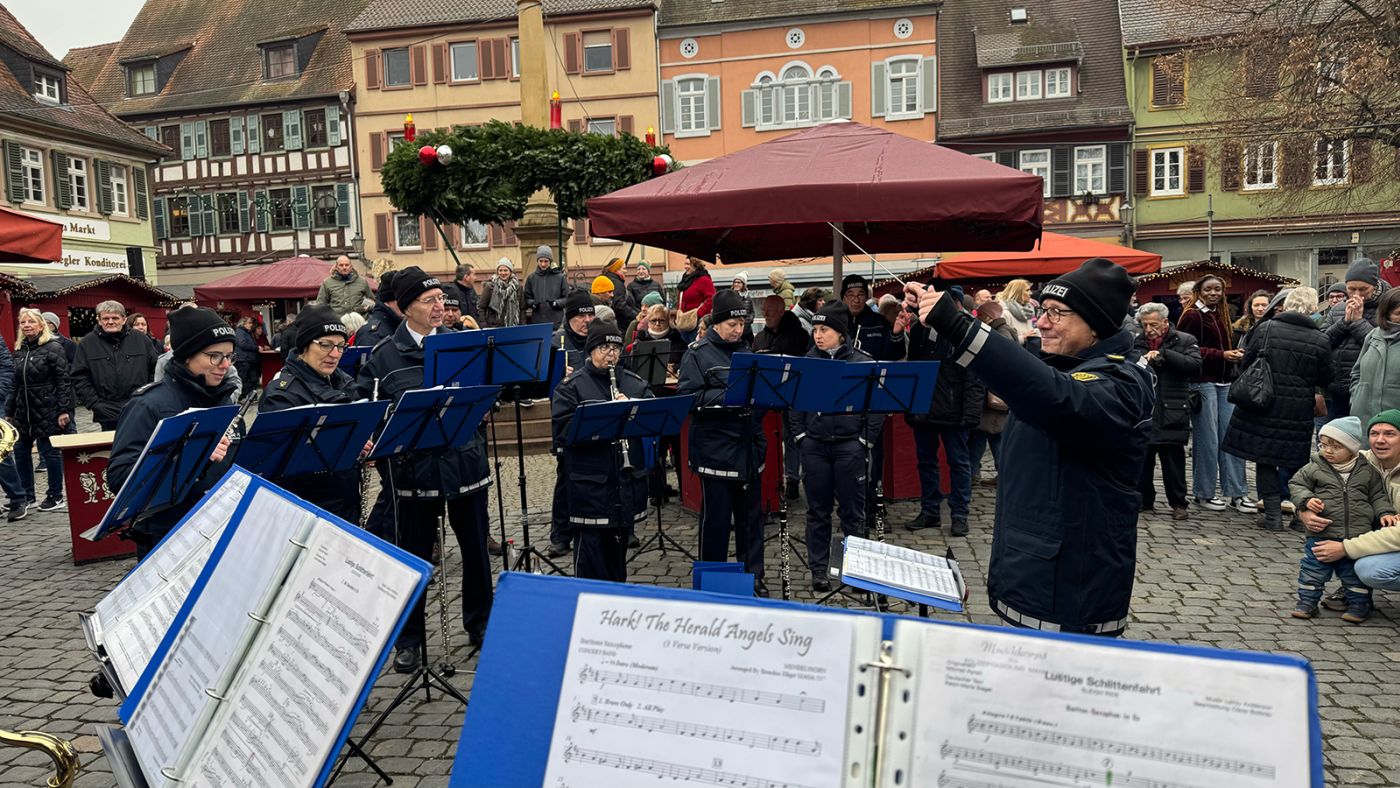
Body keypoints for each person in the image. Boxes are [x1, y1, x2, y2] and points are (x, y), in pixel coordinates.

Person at [905, 257, 1154, 636]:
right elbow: (1028, 377)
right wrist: (937, 319)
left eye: (1057, 313)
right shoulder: (1064, 364)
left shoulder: (1122, 381)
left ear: (1096, 325)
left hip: (1072, 591)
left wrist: (959, 325)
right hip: (1029, 570)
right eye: (1042, 310)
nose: (1041, 322)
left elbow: (1059, 398)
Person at [354, 266, 494, 671]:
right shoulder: (383, 356)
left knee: (475, 550)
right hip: (413, 472)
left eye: (441, 300)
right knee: (411, 557)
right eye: (429, 300)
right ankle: (409, 638)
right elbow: (368, 409)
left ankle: (480, 623)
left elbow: (485, 396)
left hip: (465, 463)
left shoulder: (462, 345)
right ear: (405, 307)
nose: (440, 307)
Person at [108, 307, 239, 559]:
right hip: (169, 536)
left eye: (229, 356)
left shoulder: (223, 398)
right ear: (187, 355)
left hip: (221, 529)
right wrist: (192, 454)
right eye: (214, 356)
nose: (225, 365)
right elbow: (120, 478)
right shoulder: (149, 404)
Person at [678, 289, 768, 596]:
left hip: (748, 449)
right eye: (732, 323)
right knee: (715, 522)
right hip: (714, 452)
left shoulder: (750, 353)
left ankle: (754, 576)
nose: (738, 329)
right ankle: (712, 580)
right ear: (717, 322)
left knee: (751, 521)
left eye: (742, 323)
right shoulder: (697, 354)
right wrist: (729, 397)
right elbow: (688, 398)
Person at [550, 321, 653, 581]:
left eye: (616, 347)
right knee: (590, 559)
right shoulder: (571, 386)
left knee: (617, 559)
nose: (612, 353)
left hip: (623, 482)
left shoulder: (631, 382)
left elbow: (655, 414)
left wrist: (631, 405)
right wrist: (603, 415)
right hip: (590, 485)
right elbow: (562, 432)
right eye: (605, 347)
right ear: (591, 350)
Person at [1223, 288, 1332, 530]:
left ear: (1285, 305)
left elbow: (1247, 361)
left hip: (1264, 403)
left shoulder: (1266, 328)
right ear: (1313, 309)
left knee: (1265, 459)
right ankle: (1298, 517)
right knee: (1296, 462)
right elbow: (1326, 376)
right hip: (1298, 408)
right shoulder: (1321, 338)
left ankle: (1272, 516)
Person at [792, 303, 879, 591]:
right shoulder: (807, 362)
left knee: (853, 513)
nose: (818, 335)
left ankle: (856, 571)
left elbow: (877, 407)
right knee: (817, 511)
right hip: (815, 447)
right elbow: (794, 405)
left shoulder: (862, 363)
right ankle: (819, 569)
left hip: (849, 447)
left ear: (841, 333)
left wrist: (864, 440)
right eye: (815, 330)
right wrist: (801, 438)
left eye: (824, 330)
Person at [259, 307, 362, 523]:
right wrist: (346, 443)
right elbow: (281, 462)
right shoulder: (281, 394)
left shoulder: (343, 382)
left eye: (340, 346)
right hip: (306, 513)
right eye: (325, 345)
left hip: (345, 503)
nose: (334, 354)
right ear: (304, 345)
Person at [1288, 416, 1393, 623]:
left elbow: (1378, 496)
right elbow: (1296, 485)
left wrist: (1385, 513)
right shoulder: (1314, 467)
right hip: (1321, 535)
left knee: (1354, 577)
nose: (1328, 451)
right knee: (1312, 572)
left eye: (1336, 447)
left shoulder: (1367, 471)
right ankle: (1307, 603)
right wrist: (1306, 502)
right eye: (1324, 445)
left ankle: (1359, 606)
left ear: (1352, 448)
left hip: (1357, 536)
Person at [905, 296, 984, 536]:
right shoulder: (919, 329)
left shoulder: (965, 331)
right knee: (926, 463)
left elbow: (974, 377)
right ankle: (930, 511)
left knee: (959, 464)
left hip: (954, 411)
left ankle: (960, 513)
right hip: (924, 411)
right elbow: (913, 368)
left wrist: (970, 414)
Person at [1178, 275, 1253, 512]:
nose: (1213, 293)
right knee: (1207, 441)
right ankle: (1204, 493)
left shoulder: (1218, 314)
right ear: (1199, 291)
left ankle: (1237, 493)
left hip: (1224, 382)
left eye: (1218, 290)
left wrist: (1231, 354)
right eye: (1208, 289)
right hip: (1202, 383)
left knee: (1230, 439)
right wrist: (1221, 355)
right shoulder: (1192, 315)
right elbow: (1186, 348)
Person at [1310, 411, 1400, 608]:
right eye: (1374, 433)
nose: (1380, 440)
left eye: (1390, 434)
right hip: (1386, 529)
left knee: (1370, 570)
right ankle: (1352, 588)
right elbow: (1313, 472)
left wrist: (1345, 548)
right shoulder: (1361, 461)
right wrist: (1305, 510)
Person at [1134, 302, 1201, 521]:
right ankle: (1144, 499)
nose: (1149, 329)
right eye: (1145, 325)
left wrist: (1165, 355)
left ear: (1164, 322)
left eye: (1153, 324)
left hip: (1173, 407)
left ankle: (1178, 503)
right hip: (1146, 409)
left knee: (1173, 461)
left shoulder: (1184, 340)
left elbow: (1194, 366)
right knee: (1143, 460)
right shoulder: (1138, 342)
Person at [7, 308, 74, 512]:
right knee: (20, 452)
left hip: (47, 407)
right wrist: (9, 410)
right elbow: (14, 383)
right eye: (23, 322)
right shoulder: (19, 350)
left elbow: (63, 380)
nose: (27, 325)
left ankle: (55, 495)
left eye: (31, 322)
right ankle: (28, 495)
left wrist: (63, 409)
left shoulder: (53, 347)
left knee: (50, 453)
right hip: (23, 411)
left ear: (40, 324)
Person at [547, 291, 598, 559]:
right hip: (568, 417)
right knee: (565, 478)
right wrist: (555, 374)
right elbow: (543, 384)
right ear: (570, 317)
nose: (587, 320)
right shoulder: (556, 342)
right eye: (581, 315)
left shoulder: (598, 338)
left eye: (590, 314)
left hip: (595, 413)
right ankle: (560, 534)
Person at [71, 300, 159, 431]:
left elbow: (155, 370)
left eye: (115, 318)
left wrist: (146, 397)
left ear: (123, 319)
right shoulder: (87, 343)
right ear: (99, 320)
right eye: (106, 318)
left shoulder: (141, 340)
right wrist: (95, 403)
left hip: (138, 406)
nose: (110, 322)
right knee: (112, 449)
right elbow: (79, 376)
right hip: (106, 411)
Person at [1326, 259, 1387, 419]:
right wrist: (1344, 322)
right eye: (1351, 289)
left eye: (1363, 289)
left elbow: (1382, 347)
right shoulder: (1338, 309)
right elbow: (1323, 342)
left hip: (1369, 390)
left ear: (1375, 286)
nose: (1357, 295)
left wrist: (1358, 322)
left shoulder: (1388, 308)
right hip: (1337, 390)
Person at [967, 301, 1018, 486]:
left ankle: (997, 474)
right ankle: (977, 472)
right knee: (986, 434)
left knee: (990, 435)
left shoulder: (999, 333)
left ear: (988, 317)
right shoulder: (1005, 330)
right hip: (995, 394)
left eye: (980, 316)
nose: (977, 319)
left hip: (993, 394)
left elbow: (1000, 362)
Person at [1350, 288, 1400, 428]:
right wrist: (1356, 397)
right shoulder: (1373, 336)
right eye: (1398, 313)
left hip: (1396, 423)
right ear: (1386, 314)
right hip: (1365, 419)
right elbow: (1356, 372)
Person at [841, 274, 907, 361]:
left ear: (866, 297)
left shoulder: (880, 322)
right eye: (851, 295)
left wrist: (896, 334)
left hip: (873, 373)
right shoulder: (835, 322)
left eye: (861, 294)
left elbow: (895, 355)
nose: (856, 300)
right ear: (843, 297)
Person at [524, 245, 569, 326]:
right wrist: (533, 303)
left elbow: (568, 298)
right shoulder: (531, 278)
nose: (543, 264)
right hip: (537, 322)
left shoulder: (560, 277)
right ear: (537, 261)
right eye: (541, 261)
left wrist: (556, 303)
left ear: (550, 261)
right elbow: (526, 299)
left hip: (556, 322)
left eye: (546, 261)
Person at [356, 270, 402, 346]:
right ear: (387, 302)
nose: (407, 304)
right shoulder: (372, 334)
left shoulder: (398, 324)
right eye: (401, 299)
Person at [676, 257, 715, 342]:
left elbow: (711, 299)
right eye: (685, 264)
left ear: (695, 265)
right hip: (684, 322)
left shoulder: (704, 280)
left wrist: (698, 314)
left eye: (688, 264)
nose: (685, 267)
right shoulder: (685, 280)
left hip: (696, 324)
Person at [481, 258, 523, 328]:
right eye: (500, 270)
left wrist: (523, 326)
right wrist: (484, 325)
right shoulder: (490, 287)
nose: (503, 273)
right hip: (494, 327)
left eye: (505, 270)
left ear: (510, 271)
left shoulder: (518, 287)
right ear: (497, 272)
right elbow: (482, 308)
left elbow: (522, 308)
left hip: (513, 327)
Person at [232, 316, 262, 389]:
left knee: (254, 380)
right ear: (243, 324)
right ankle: (240, 396)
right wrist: (257, 348)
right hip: (243, 360)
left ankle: (244, 396)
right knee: (243, 380)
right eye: (249, 323)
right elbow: (242, 344)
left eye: (251, 323)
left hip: (248, 360)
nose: (251, 325)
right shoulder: (239, 332)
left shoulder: (246, 332)